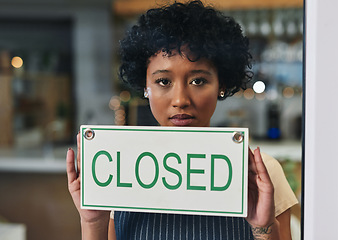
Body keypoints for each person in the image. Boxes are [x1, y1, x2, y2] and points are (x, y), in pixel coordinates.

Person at [66, 1, 298, 239]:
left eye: (198, 81)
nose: (180, 100)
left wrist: (263, 228)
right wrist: (92, 221)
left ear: (222, 84)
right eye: (163, 81)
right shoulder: (121, 170)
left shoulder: (259, 174)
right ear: (145, 87)